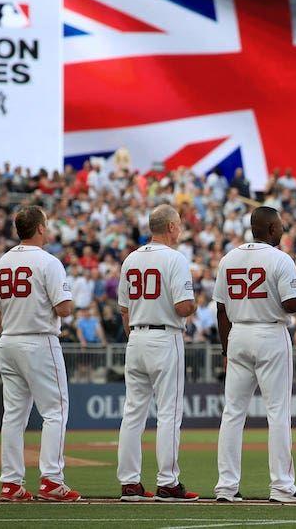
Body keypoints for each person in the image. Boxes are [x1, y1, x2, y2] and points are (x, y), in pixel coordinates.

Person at [214, 206, 296, 504]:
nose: (282, 229)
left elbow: (220, 309)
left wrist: (226, 349)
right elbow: (293, 304)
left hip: (238, 333)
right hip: (269, 333)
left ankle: (226, 487)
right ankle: (281, 486)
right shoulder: (280, 259)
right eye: (279, 225)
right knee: (278, 411)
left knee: (232, 413)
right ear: (270, 229)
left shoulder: (229, 258)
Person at [0, 205, 81, 502]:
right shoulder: (48, 261)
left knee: (14, 416)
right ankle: (52, 480)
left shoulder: (2, 261)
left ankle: (11, 483)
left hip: (9, 341)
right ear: (40, 227)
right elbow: (64, 309)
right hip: (39, 340)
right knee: (55, 410)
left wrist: (8, 335)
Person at [117, 204, 198, 502]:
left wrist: (134, 335)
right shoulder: (175, 259)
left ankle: (129, 483)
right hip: (165, 337)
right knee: (169, 413)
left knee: (133, 413)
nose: (180, 229)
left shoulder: (130, 259)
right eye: (178, 225)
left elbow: (123, 309)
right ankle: (167, 482)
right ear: (172, 227)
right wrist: (195, 305)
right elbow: (183, 306)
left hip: (136, 337)